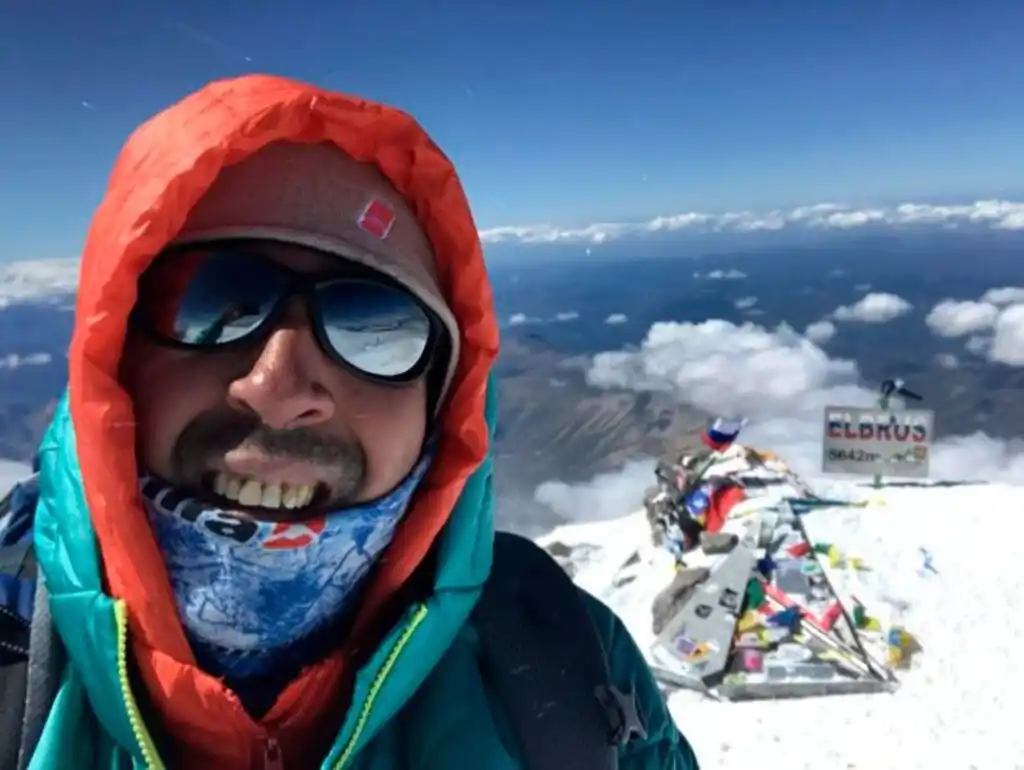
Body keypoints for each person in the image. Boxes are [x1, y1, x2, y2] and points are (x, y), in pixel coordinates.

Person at [0, 74, 699, 769]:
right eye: (209, 301)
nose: (277, 387)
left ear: (442, 409)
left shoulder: (565, 664)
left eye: (376, 327)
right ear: (113, 364)